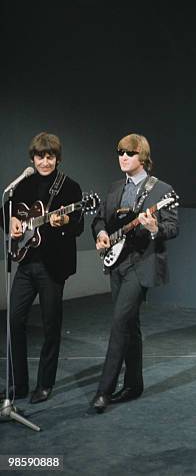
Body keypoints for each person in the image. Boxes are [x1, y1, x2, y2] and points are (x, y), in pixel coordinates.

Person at [90, 134, 179, 413]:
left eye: (129, 152)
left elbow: (172, 227)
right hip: (117, 263)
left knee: (119, 323)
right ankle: (134, 384)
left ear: (143, 156)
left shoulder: (162, 190)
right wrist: (102, 233)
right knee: (130, 325)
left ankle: (103, 391)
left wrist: (154, 228)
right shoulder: (116, 187)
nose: (123, 157)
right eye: (120, 152)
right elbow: (99, 220)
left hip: (142, 265)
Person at [1, 132, 83, 404]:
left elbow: (78, 225)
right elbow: (5, 210)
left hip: (52, 267)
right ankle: (18, 384)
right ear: (32, 158)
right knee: (14, 321)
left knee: (50, 326)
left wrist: (63, 223)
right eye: (40, 157)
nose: (45, 162)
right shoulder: (23, 184)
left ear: (57, 159)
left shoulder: (70, 187)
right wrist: (11, 220)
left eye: (50, 157)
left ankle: (45, 384)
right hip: (25, 262)